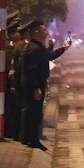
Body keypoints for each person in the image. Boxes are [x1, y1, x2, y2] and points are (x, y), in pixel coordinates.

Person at [21, 21, 72, 150]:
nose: (46, 32)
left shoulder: (38, 47)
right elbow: (31, 70)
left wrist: (63, 48)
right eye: (43, 30)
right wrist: (36, 87)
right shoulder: (33, 48)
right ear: (36, 32)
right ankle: (32, 139)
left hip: (38, 83)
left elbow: (48, 57)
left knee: (33, 112)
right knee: (34, 112)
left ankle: (28, 138)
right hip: (35, 85)